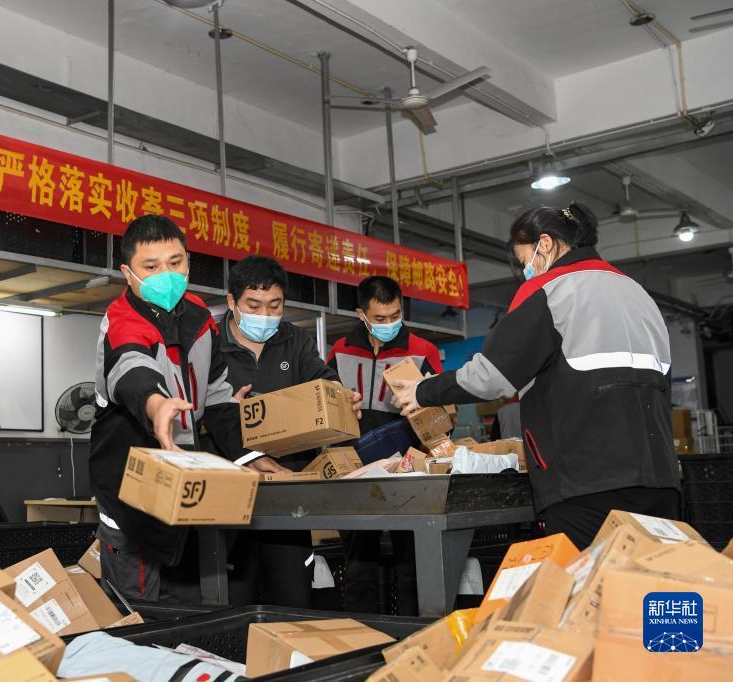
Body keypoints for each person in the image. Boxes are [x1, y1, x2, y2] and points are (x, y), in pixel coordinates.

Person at [390, 203, 681, 550]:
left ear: (545, 244)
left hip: (584, 483)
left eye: (524, 259)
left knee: (585, 582)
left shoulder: (550, 289)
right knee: (652, 578)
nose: (526, 270)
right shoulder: (637, 293)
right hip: (661, 479)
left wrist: (423, 391)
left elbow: (493, 375)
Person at [90, 215, 284, 603]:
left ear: (188, 261)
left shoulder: (199, 317)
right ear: (128, 273)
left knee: (192, 604)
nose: (166, 274)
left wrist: (252, 456)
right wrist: (158, 405)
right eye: (151, 266)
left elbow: (218, 397)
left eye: (175, 262)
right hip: (131, 492)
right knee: (139, 610)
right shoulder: (121, 320)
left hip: (186, 484)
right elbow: (131, 367)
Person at [218, 256, 360, 607]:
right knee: (233, 601)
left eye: (275, 305)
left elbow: (322, 380)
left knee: (291, 598)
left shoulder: (295, 341)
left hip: (287, 496)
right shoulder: (209, 344)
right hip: (230, 501)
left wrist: (341, 398)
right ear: (232, 302)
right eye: (254, 306)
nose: (265, 315)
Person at [326, 275, 443, 615]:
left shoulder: (423, 351)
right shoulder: (341, 350)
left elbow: (441, 415)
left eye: (395, 315)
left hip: (408, 471)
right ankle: (362, 632)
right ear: (361, 314)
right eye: (380, 318)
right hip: (356, 472)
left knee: (411, 564)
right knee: (359, 565)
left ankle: (412, 633)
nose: (389, 323)